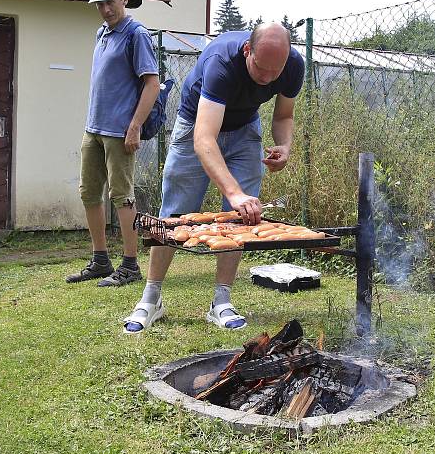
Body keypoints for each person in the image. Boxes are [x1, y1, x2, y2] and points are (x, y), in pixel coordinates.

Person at [122, 22, 304, 334]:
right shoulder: (222, 62)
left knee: (241, 219)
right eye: (262, 68)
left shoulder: (292, 65)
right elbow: (204, 140)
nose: (269, 77)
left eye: (277, 70)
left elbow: (283, 116)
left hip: (245, 131)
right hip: (196, 125)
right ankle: (151, 299)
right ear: (248, 50)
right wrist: (234, 194)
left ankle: (221, 302)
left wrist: (284, 147)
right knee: (175, 214)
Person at [66, 0, 161, 287]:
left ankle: (131, 265)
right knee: (88, 193)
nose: (105, 9)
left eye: (110, 2)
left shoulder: (136, 35)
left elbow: (152, 84)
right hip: (93, 128)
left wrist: (134, 127)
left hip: (120, 132)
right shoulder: (102, 32)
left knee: (122, 196)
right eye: (100, 4)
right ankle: (100, 260)